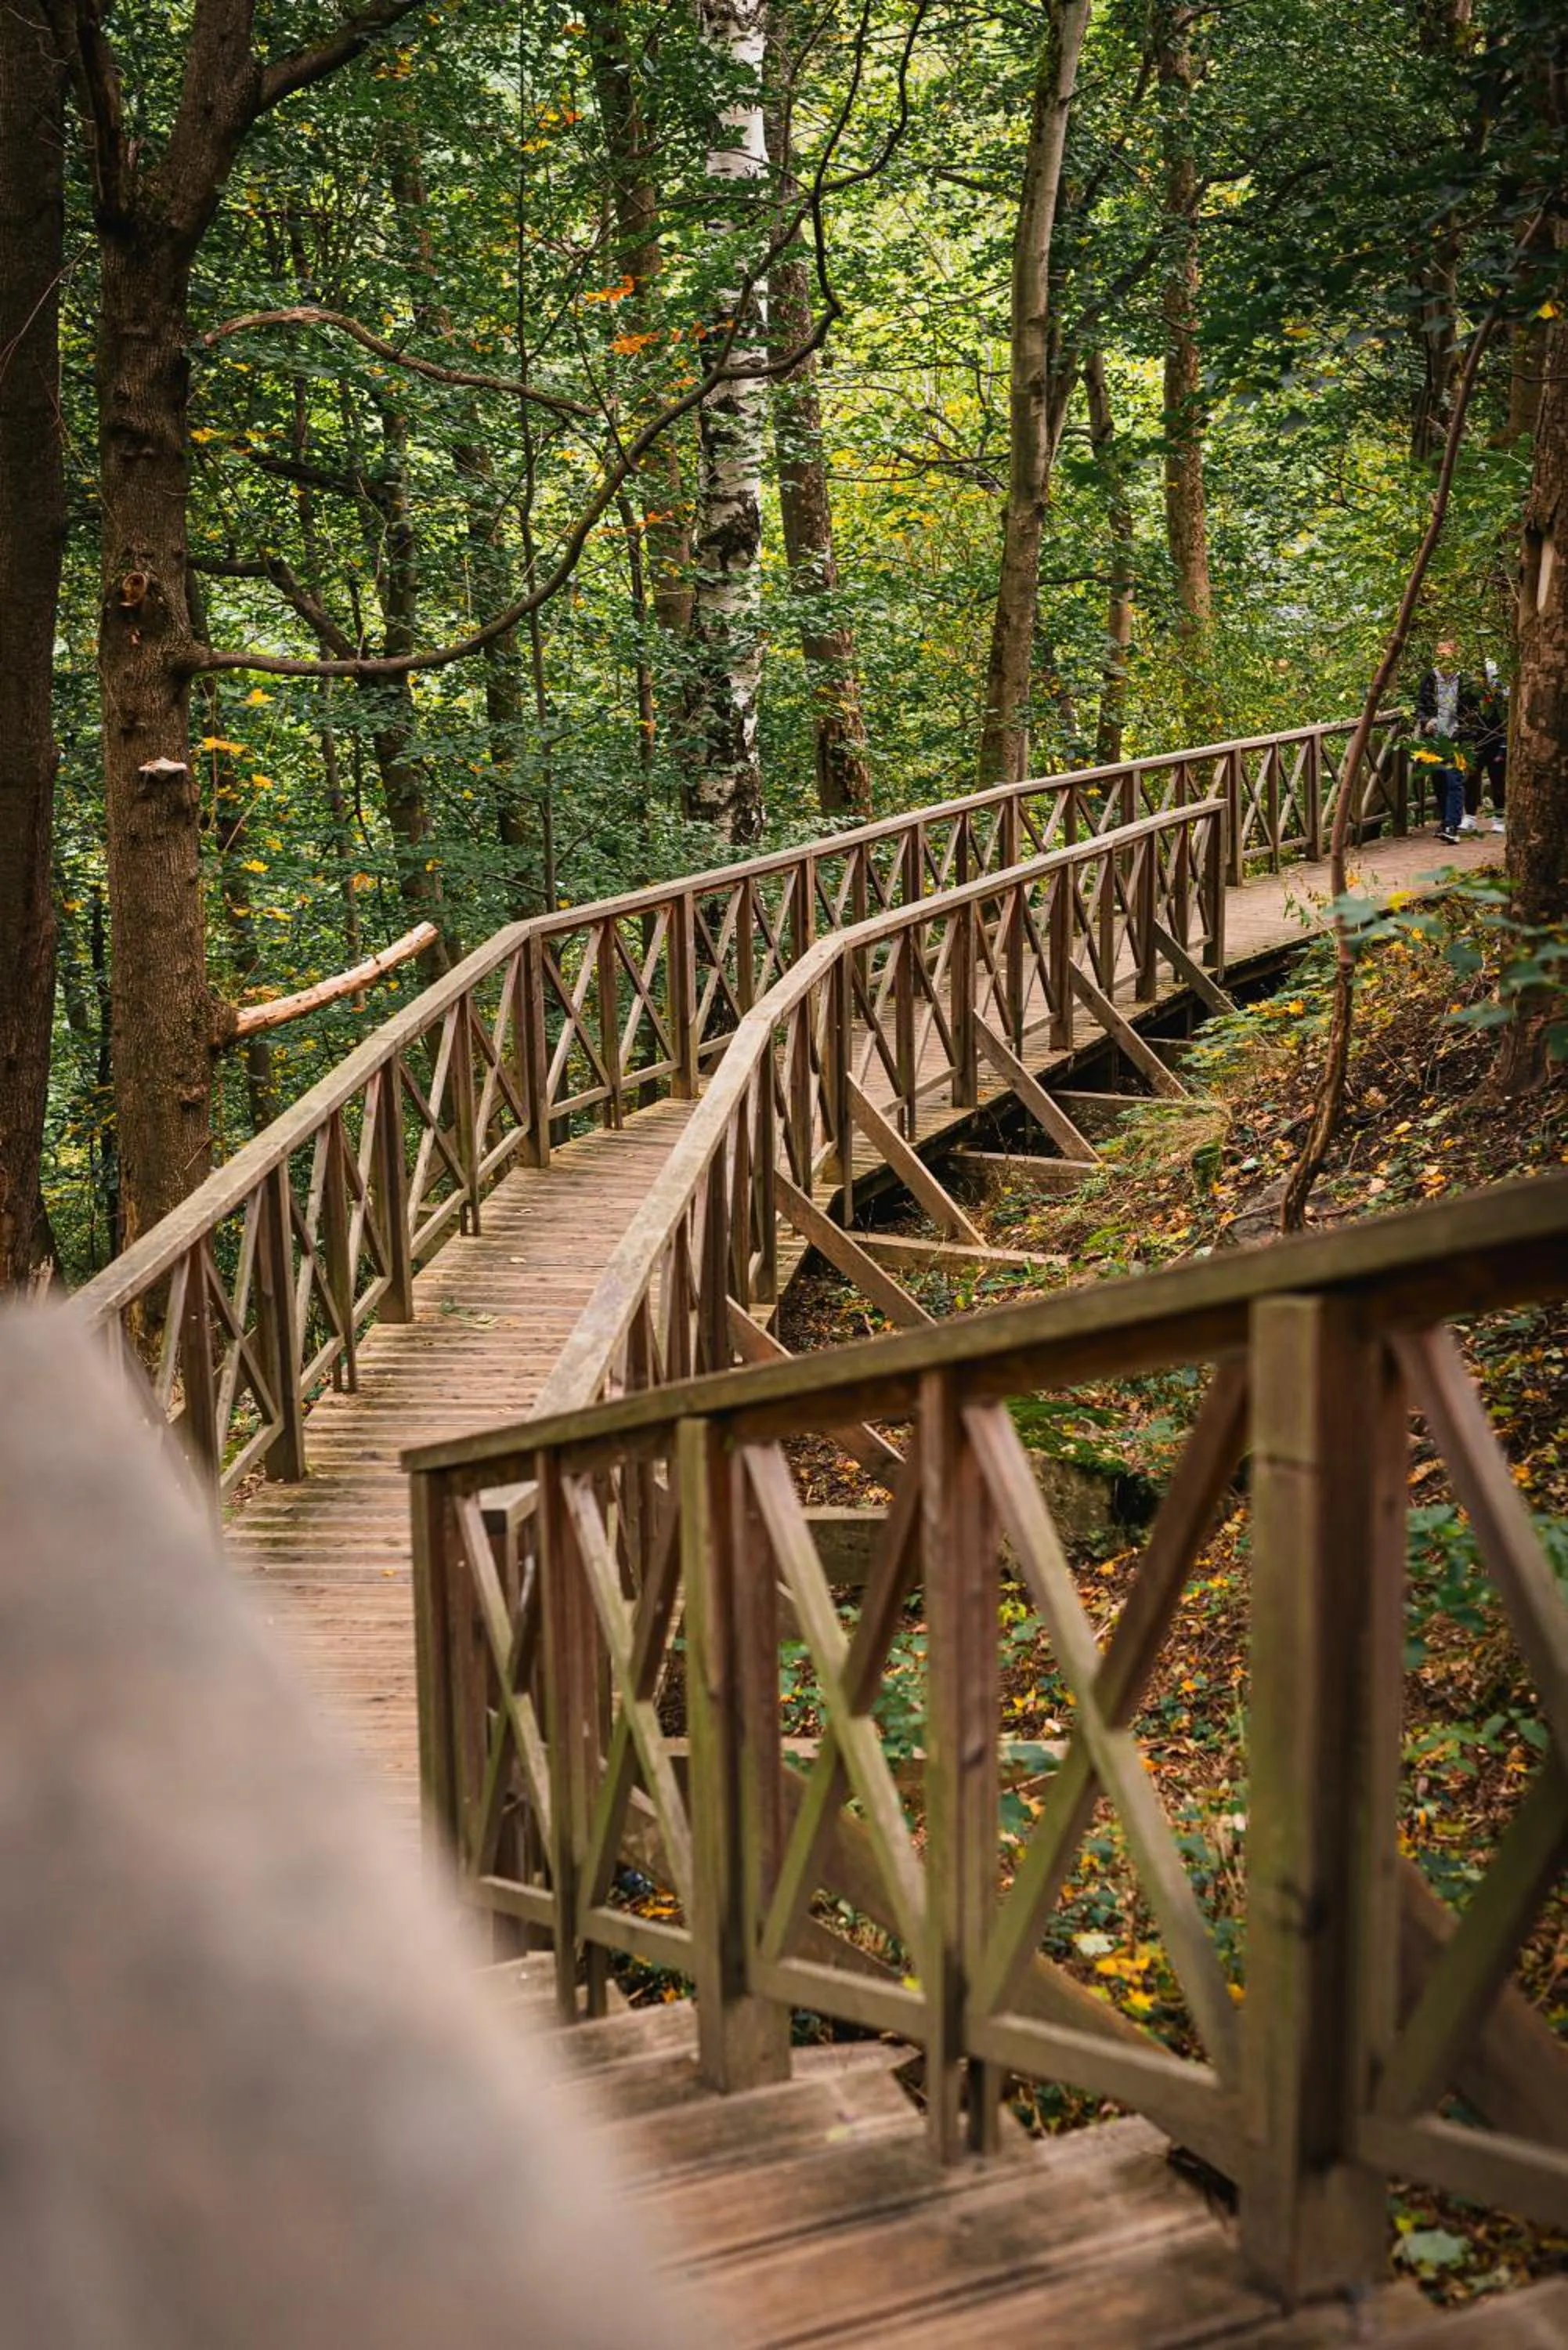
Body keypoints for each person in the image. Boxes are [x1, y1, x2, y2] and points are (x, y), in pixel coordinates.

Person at [1415, 637, 1480, 846]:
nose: (1443, 660)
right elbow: (1421, 705)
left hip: (1459, 737)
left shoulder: (1467, 680)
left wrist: (1464, 726)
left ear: (1455, 656)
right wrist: (1426, 721)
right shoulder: (1430, 678)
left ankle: (1452, 825)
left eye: (1447, 655)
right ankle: (1446, 821)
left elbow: (1475, 710)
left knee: (1454, 780)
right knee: (1439, 780)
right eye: (1439, 655)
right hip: (1434, 739)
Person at [1471, 659, 1507, 834]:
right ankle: (1469, 817)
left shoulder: (1501, 695)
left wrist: (1503, 746)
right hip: (1476, 740)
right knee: (1470, 778)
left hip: (1497, 740)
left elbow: (1506, 719)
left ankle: (1499, 818)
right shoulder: (1472, 694)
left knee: (1498, 780)